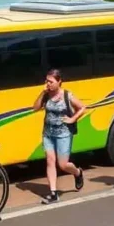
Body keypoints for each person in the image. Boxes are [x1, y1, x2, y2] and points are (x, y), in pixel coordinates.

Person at [33, 69, 86, 204]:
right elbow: (35, 107)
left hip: (63, 133)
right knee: (50, 161)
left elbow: (82, 107)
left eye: (51, 82)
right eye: (47, 81)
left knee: (62, 164)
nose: (48, 84)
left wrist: (73, 119)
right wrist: (43, 92)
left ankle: (77, 173)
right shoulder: (47, 94)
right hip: (48, 133)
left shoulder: (67, 95)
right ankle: (53, 193)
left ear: (59, 81)